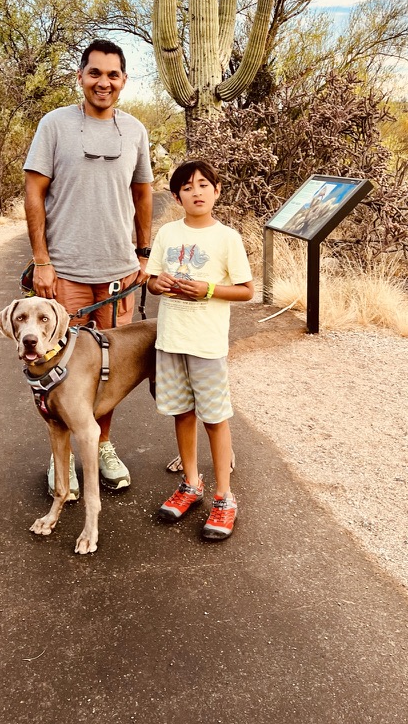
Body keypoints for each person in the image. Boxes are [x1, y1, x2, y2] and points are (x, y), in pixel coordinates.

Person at [24, 39, 154, 500]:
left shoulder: (135, 130)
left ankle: (101, 446)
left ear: (123, 80)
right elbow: (34, 191)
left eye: (113, 74)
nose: (104, 82)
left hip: (118, 275)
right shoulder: (55, 125)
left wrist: (143, 254)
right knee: (60, 368)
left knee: (108, 370)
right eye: (95, 73)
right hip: (67, 273)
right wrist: (42, 260)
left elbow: (143, 195)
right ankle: (61, 459)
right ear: (80, 76)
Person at [146, 159, 253, 541]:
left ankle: (225, 496)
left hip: (206, 344)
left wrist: (206, 290)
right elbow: (152, 280)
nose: (197, 192)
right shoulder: (168, 233)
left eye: (204, 184)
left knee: (214, 416)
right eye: (187, 187)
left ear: (217, 190)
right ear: (176, 196)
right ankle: (192, 483)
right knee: (181, 411)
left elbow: (245, 289)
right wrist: (160, 286)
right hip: (171, 339)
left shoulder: (228, 238)